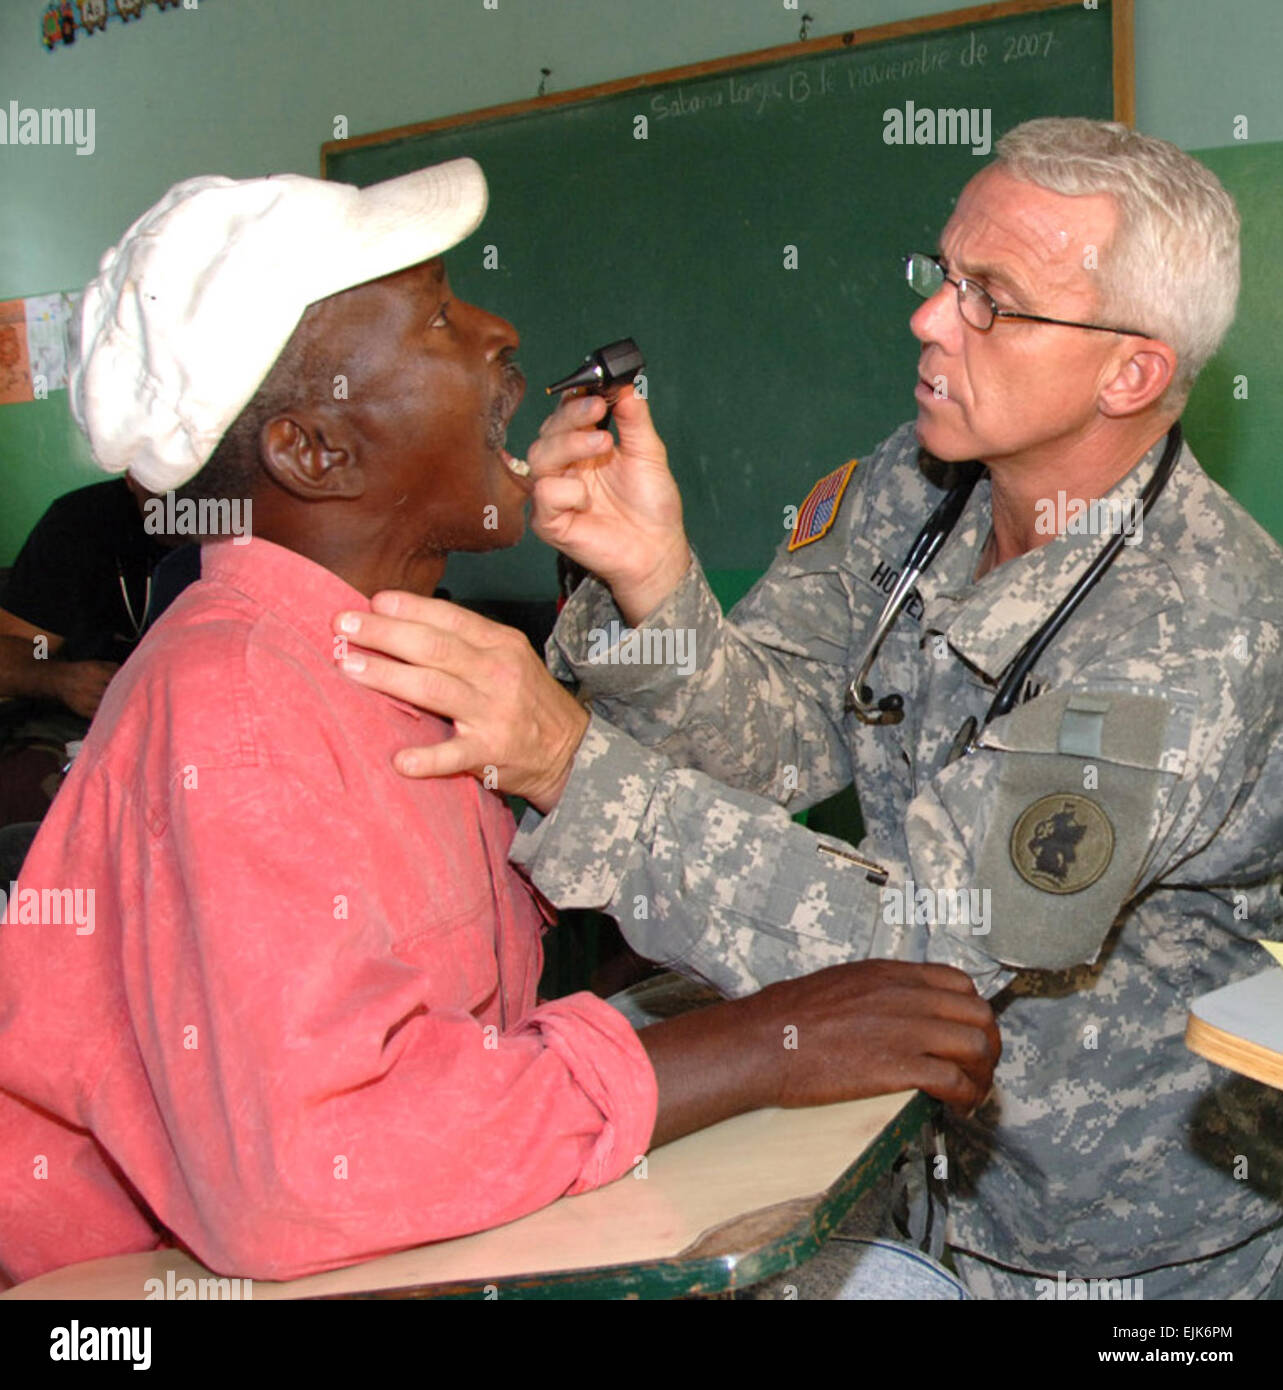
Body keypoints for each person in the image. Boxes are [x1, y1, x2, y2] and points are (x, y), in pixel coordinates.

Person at [0, 160, 1000, 1290]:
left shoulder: (392, 656)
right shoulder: (233, 696)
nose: (498, 332)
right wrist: (761, 1045)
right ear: (313, 452)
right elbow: (307, 1169)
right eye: (436, 316)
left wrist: (642, 594)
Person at [336, 120, 1283, 1298]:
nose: (929, 321)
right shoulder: (918, 482)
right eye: (939, 274)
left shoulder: (1191, 623)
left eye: (991, 298)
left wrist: (572, 767)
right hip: (904, 1173)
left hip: (1119, 1246)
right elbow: (780, 734)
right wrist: (653, 584)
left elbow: (920, 948)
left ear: (1129, 371)